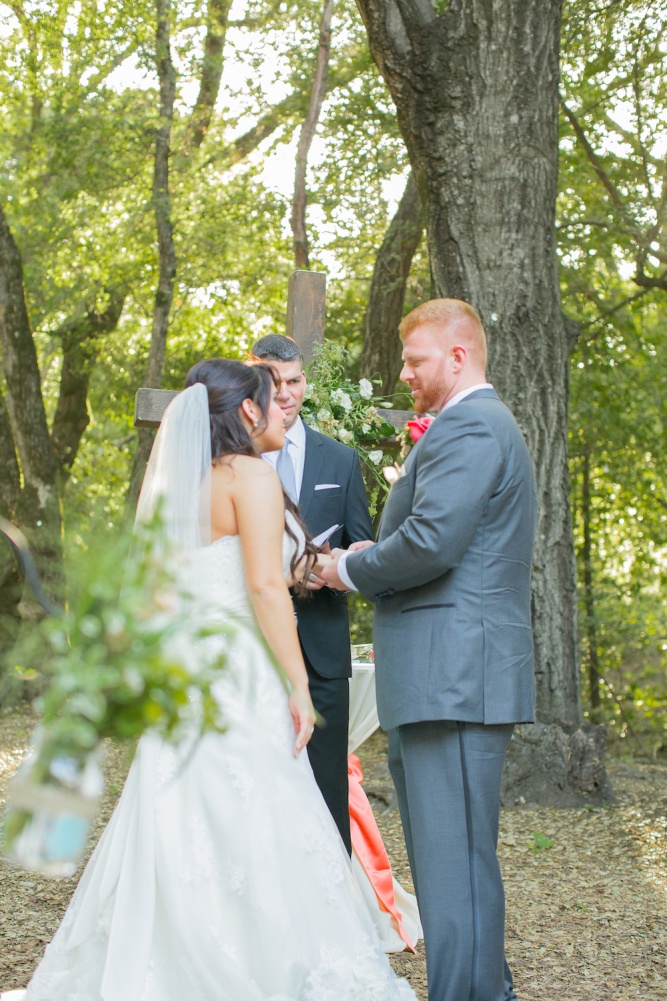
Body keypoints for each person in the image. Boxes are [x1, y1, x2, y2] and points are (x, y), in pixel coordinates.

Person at [20, 359, 415, 1001]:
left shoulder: (183, 486)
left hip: (186, 670)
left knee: (176, 812)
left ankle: (158, 961)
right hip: (238, 670)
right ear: (249, 412)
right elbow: (260, 584)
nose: (284, 408)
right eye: (271, 399)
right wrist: (296, 683)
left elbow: (177, 586)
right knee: (255, 811)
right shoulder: (251, 476)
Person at [321, 299, 538, 1001]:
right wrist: (375, 550)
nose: (404, 373)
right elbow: (441, 539)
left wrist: (344, 568)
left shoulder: (471, 425)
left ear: (456, 355)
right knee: (455, 863)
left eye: (414, 360)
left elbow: (431, 544)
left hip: (454, 673)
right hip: (444, 673)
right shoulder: (466, 427)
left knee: (452, 866)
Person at [250, 334, 374, 855]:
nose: (286, 394)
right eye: (274, 382)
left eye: (295, 380)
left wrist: (348, 560)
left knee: (325, 786)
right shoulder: (230, 459)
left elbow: (362, 542)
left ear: (307, 381)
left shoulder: (341, 460)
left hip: (322, 648)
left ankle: (336, 907)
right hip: (249, 646)